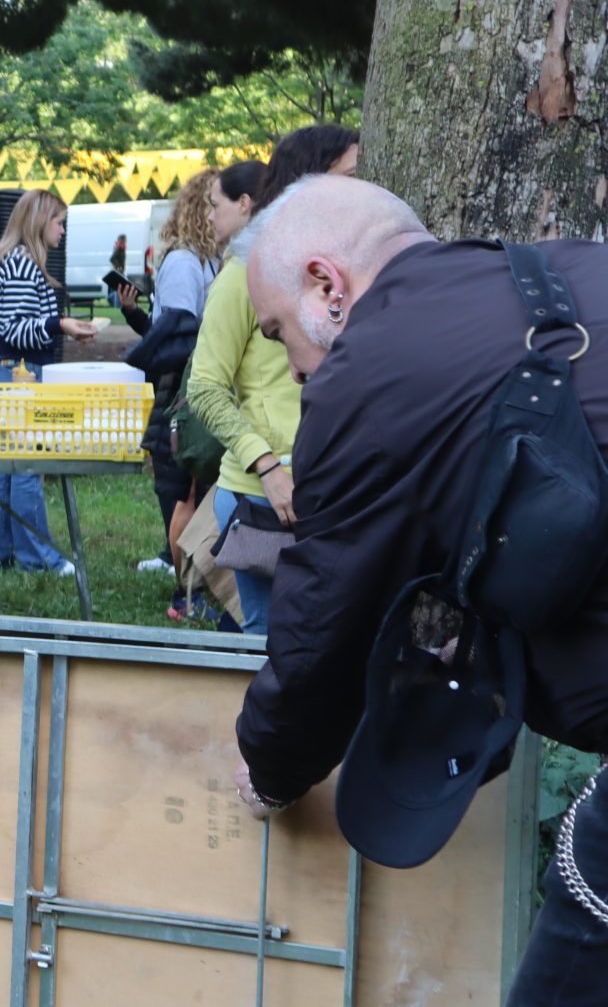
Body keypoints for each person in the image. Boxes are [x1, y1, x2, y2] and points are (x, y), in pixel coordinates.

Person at [231, 174, 608, 1005]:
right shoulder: (570, 272)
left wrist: (272, 766)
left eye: (279, 332)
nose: (294, 369)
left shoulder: (365, 378)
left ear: (327, 287)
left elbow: (325, 624)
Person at [186, 126, 358, 633]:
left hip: (337, 488)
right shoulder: (246, 269)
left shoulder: (348, 267)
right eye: (350, 176)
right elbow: (204, 388)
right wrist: (268, 468)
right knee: (272, 646)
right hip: (267, 499)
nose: (362, 189)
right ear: (308, 181)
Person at [0, 189, 96, 573]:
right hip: (20, 375)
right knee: (26, 468)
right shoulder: (23, 265)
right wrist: (61, 325)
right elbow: (15, 330)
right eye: (59, 222)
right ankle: (36, 558)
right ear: (40, 221)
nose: (62, 230)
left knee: (1, 470)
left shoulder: (9, 262)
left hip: (6, 374)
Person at [121, 167, 227, 583]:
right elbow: (175, 333)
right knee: (178, 480)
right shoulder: (185, 262)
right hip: (180, 385)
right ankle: (180, 568)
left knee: (193, 480)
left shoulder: (212, 261)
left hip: (200, 381)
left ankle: (183, 561)